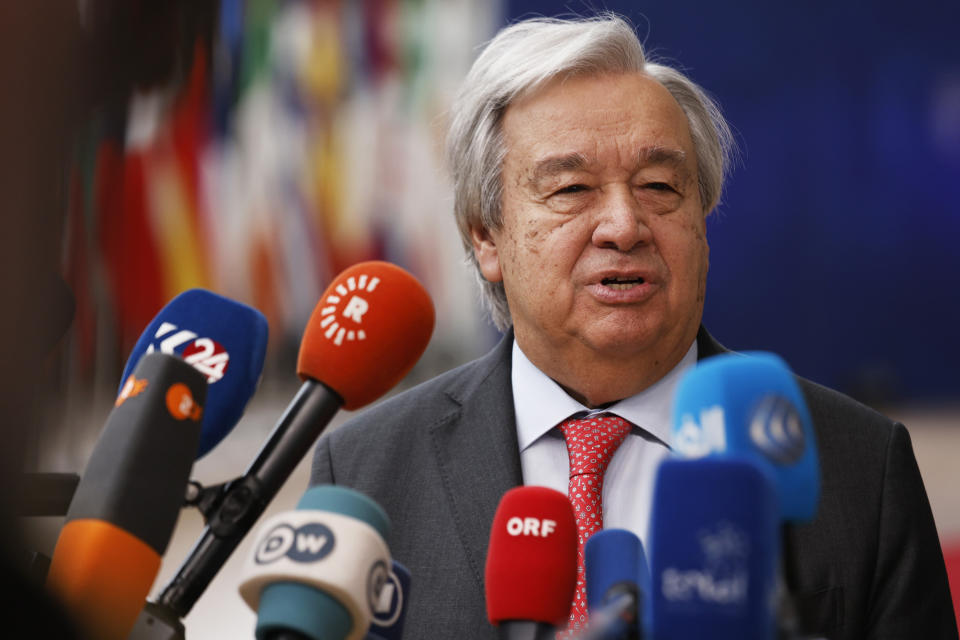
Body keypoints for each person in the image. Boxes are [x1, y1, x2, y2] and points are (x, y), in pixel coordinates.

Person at [310, 14, 957, 640]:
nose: (624, 225)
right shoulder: (367, 474)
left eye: (658, 186)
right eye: (570, 190)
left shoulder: (860, 469)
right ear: (486, 236)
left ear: (702, 224)